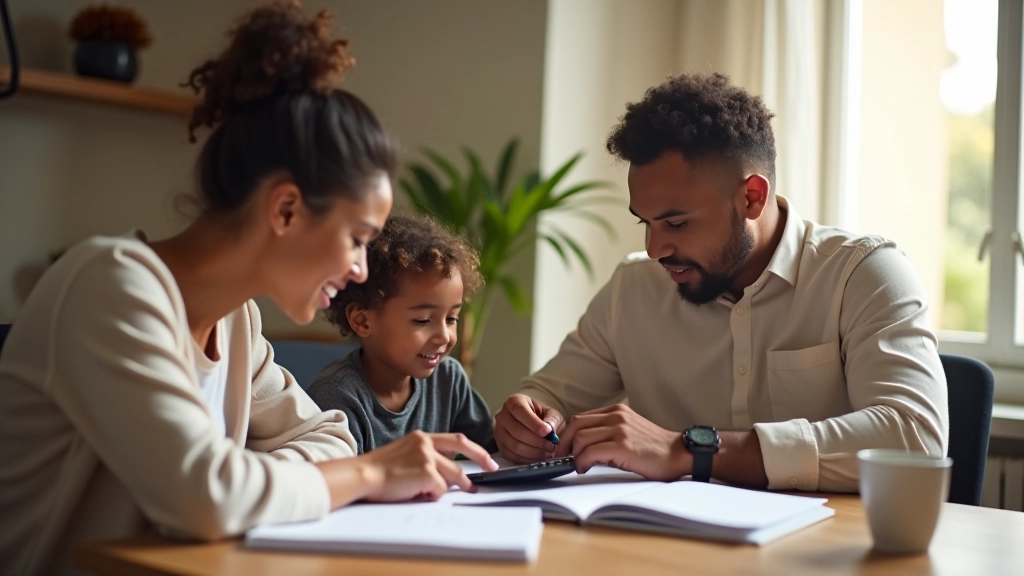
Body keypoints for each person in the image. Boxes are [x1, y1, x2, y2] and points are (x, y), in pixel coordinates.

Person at [0, 3, 496, 575]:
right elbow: (208, 498)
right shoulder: (109, 290)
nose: (362, 270)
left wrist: (249, 482)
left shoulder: (237, 322)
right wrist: (371, 471)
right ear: (285, 209)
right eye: (357, 238)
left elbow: (329, 435)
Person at [494, 72, 948, 493]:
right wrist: (528, 421)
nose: (654, 249)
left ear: (752, 197)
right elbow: (549, 396)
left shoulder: (864, 275)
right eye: (645, 223)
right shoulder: (633, 289)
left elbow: (914, 438)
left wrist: (688, 450)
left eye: (676, 223)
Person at [307, 213, 494, 454]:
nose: (445, 337)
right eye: (423, 320)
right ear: (362, 321)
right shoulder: (337, 397)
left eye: (451, 318)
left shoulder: (448, 380)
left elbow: (492, 452)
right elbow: (340, 475)